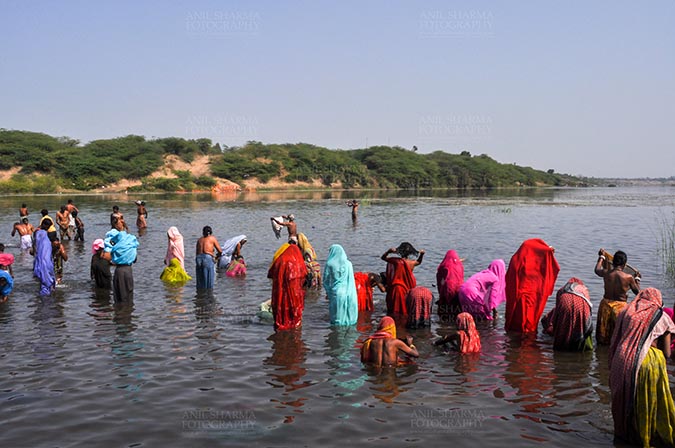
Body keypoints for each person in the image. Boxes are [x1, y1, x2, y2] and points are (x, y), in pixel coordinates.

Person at [609, 288, 675, 446]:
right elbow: (666, 353)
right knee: (645, 401)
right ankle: (644, 436)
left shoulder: (626, 312)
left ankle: (624, 434)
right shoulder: (661, 317)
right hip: (647, 362)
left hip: (621, 358)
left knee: (624, 399)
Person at [504, 238, 560, 333]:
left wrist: (547, 251)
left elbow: (509, 279)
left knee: (517, 323)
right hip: (530, 296)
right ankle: (527, 341)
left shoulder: (518, 259)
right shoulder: (532, 261)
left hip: (519, 295)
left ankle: (515, 341)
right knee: (529, 323)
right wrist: (547, 251)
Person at [595, 249, 641, 345]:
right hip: (620, 308)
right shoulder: (628, 277)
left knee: (603, 337)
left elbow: (597, 270)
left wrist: (601, 257)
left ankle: (601, 354)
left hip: (605, 305)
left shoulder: (607, 273)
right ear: (624, 265)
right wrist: (637, 279)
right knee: (617, 337)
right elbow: (638, 292)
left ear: (613, 262)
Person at [541, 277, 593, 351]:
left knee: (563, 326)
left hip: (565, 301)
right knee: (580, 325)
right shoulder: (584, 289)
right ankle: (579, 346)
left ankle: (563, 347)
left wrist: (555, 326)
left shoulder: (561, 290)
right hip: (582, 304)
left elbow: (557, 313)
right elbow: (589, 308)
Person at [267, 243, 306, 331]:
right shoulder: (297, 261)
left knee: (281, 308)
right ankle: (294, 329)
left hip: (280, 292)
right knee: (294, 316)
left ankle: (280, 327)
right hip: (294, 293)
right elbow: (304, 275)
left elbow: (270, 274)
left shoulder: (279, 260)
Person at [381, 242, 425, 316]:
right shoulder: (412, 263)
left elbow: (383, 258)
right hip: (406, 289)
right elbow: (419, 262)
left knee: (394, 309)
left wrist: (388, 251)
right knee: (405, 307)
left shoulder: (396, 261)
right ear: (410, 253)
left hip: (396, 288)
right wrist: (422, 255)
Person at [103, 217, 139, 302]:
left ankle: (119, 314)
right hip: (128, 270)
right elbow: (135, 259)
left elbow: (106, 256)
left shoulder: (113, 239)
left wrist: (114, 260)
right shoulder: (131, 239)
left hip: (119, 270)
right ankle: (128, 314)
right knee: (129, 297)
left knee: (119, 298)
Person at [323, 244, 358, 326]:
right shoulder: (349, 264)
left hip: (336, 293)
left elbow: (326, 281)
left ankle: (337, 335)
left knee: (337, 317)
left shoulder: (329, 263)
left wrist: (328, 292)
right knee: (349, 318)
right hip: (349, 293)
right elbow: (351, 279)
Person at [436, 250, 465, 318]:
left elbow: (440, 279)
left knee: (445, 312)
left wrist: (441, 292)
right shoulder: (459, 265)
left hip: (447, 291)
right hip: (458, 291)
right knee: (456, 311)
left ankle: (444, 325)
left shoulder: (444, 265)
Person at [33, 219, 56, 295]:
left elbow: (36, 246)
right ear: (43, 224)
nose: (48, 228)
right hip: (44, 260)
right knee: (46, 278)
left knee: (44, 278)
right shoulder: (41, 233)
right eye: (47, 226)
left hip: (44, 259)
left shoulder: (41, 233)